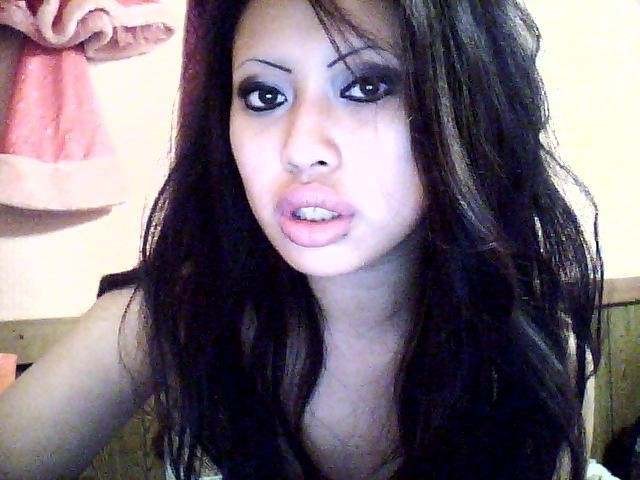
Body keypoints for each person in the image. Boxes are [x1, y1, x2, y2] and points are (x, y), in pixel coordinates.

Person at [0, 0, 603, 479]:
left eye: (367, 87)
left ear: (465, 108)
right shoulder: (173, 316)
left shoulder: (536, 356)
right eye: (264, 96)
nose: (300, 147)